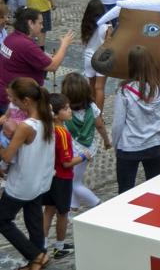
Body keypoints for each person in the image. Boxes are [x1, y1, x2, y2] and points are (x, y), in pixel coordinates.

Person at [0, 77, 55, 270]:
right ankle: (36, 263)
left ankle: (37, 255)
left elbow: (7, 156)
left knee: (2, 220)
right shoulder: (48, 116)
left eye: (14, 100)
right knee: (34, 222)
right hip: (40, 181)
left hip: (22, 184)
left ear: (26, 101)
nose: (12, 104)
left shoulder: (26, 127)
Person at [112, 45, 160, 194]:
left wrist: (115, 144)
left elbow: (118, 123)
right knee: (155, 187)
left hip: (130, 145)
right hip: (154, 143)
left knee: (125, 189)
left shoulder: (124, 91)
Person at [0, 8, 73, 114]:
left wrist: (44, 56)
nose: (42, 26)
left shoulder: (11, 37)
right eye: (40, 23)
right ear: (30, 23)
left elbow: (26, 57)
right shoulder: (26, 45)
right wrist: (64, 45)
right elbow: (53, 66)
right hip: (17, 100)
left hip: (7, 93)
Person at [42, 93, 86, 259]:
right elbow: (67, 162)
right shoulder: (62, 132)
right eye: (66, 109)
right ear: (56, 113)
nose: (70, 111)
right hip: (62, 178)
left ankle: (42, 246)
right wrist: (83, 156)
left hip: (49, 176)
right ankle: (59, 247)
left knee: (48, 211)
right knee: (63, 213)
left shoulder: (47, 128)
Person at [62, 72, 111, 211]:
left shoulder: (65, 111)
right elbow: (100, 125)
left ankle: (97, 204)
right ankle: (74, 207)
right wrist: (106, 141)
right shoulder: (92, 107)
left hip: (73, 153)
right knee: (75, 180)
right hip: (88, 149)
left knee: (74, 183)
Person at [81, 0, 110, 113]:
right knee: (100, 88)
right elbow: (109, 44)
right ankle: (99, 115)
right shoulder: (106, 27)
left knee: (92, 87)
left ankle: (91, 112)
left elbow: (84, 42)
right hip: (101, 58)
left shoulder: (86, 25)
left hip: (88, 57)